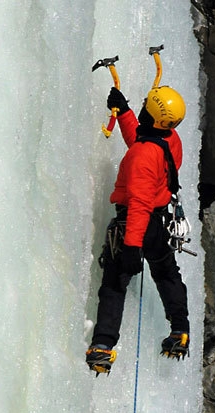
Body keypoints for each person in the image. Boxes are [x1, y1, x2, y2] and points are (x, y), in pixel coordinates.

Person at [86, 85, 190, 375]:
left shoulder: (143, 156)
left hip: (136, 223)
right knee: (167, 273)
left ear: (154, 116)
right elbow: (144, 140)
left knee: (115, 282)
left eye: (145, 106)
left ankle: (103, 347)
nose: (142, 106)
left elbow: (140, 203)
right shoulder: (170, 138)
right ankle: (180, 330)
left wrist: (131, 247)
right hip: (158, 224)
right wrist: (125, 112)